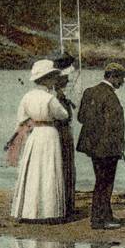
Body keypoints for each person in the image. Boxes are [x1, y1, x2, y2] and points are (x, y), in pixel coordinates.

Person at [10, 60, 70, 222]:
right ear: (47, 79)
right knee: (49, 171)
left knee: (33, 172)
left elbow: (21, 119)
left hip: (34, 134)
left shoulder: (27, 97)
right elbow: (63, 115)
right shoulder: (50, 98)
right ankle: (49, 211)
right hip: (49, 133)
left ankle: (28, 211)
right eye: (52, 77)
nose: (55, 80)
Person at [77, 62, 125, 230]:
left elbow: (81, 118)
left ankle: (105, 215)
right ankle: (100, 220)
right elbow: (115, 125)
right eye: (121, 79)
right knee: (105, 183)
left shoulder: (89, 92)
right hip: (108, 148)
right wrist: (120, 144)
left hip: (93, 146)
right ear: (112, 77)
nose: (122, 83)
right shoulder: (110, 96)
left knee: (100, 181)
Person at [52, 66, 77, 217]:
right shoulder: (58, 98)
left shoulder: (58, 96)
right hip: (62, 134)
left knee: (65, 168)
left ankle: (66, 204)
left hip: (62, 133)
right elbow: (65, 117)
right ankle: (67, 205)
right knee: (66, 168)